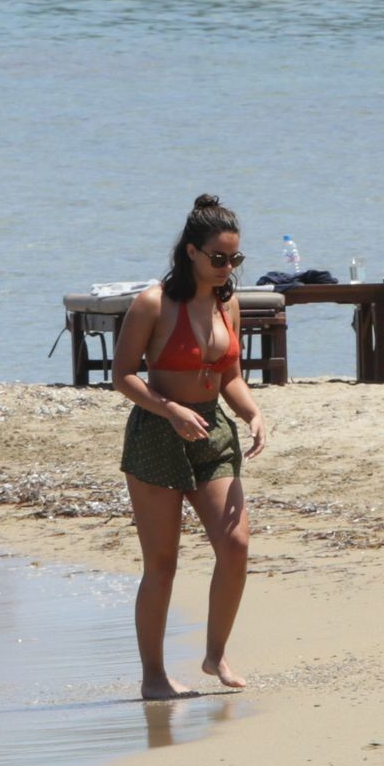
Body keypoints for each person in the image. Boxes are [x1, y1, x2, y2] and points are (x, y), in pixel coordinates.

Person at [112, 195, 268, 701]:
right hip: (158, 433)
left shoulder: (228, 304)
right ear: (191, 252)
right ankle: (154, 676)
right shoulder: (153, 303)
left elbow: (230, 376)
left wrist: (252, 413)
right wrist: (171, 410)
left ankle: (215, 653)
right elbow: (123, 375)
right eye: (218, 257)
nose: (227, 268)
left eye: (235, 258)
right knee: (162, 564)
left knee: (235, 545)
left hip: (213, 433)